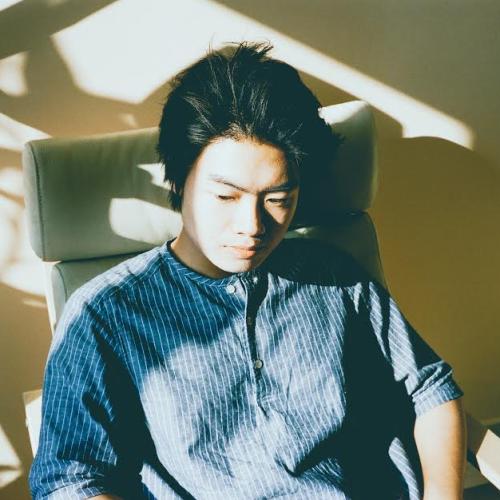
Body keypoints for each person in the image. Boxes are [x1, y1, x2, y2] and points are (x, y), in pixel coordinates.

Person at [30, 42, 466, 500]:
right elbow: (69, 481)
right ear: (178, 179)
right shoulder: (104, 315)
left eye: (278, 199)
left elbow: (431, 388)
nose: (253, 226)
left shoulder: (334, 276)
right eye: (226, 196)